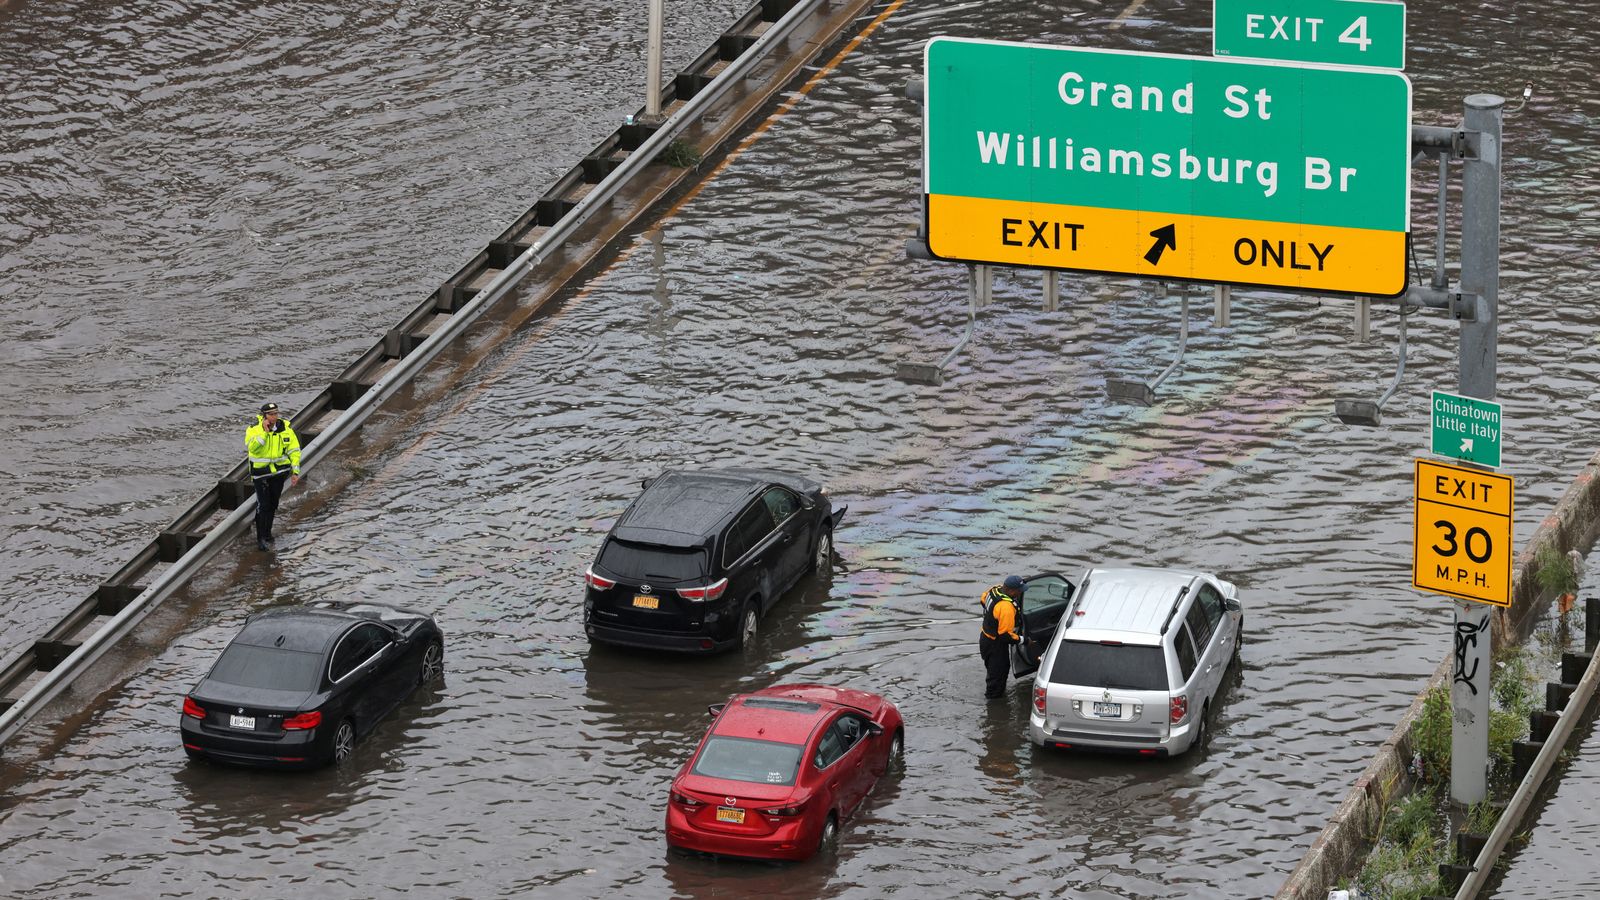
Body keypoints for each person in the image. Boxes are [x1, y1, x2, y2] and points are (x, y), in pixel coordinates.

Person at [244, 402, 301, 551]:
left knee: (273, 504)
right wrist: (264, 432)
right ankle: (261, 538)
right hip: (261, 474)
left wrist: (295, 472)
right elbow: (252, 449)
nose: (274, 417)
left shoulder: (286, 429)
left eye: (276, 413)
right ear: (264, 416)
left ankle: (268, 533)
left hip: (279, 473)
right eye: (271, 414)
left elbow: (294, 451)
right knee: (263, 505)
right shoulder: (253, 429)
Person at [979, 575, 1025, 699]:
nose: (1021, 593)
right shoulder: (1006, 607)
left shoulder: (995, 589)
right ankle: (994, 708)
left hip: (985, 638)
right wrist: (1023, 640)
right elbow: (1005, 636)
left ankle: (996, 698)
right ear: (1011, 591)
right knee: (997, 677)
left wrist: (993, 617)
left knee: (994, 672)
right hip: (995, 645)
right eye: (1020, 590)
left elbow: (983, 600)